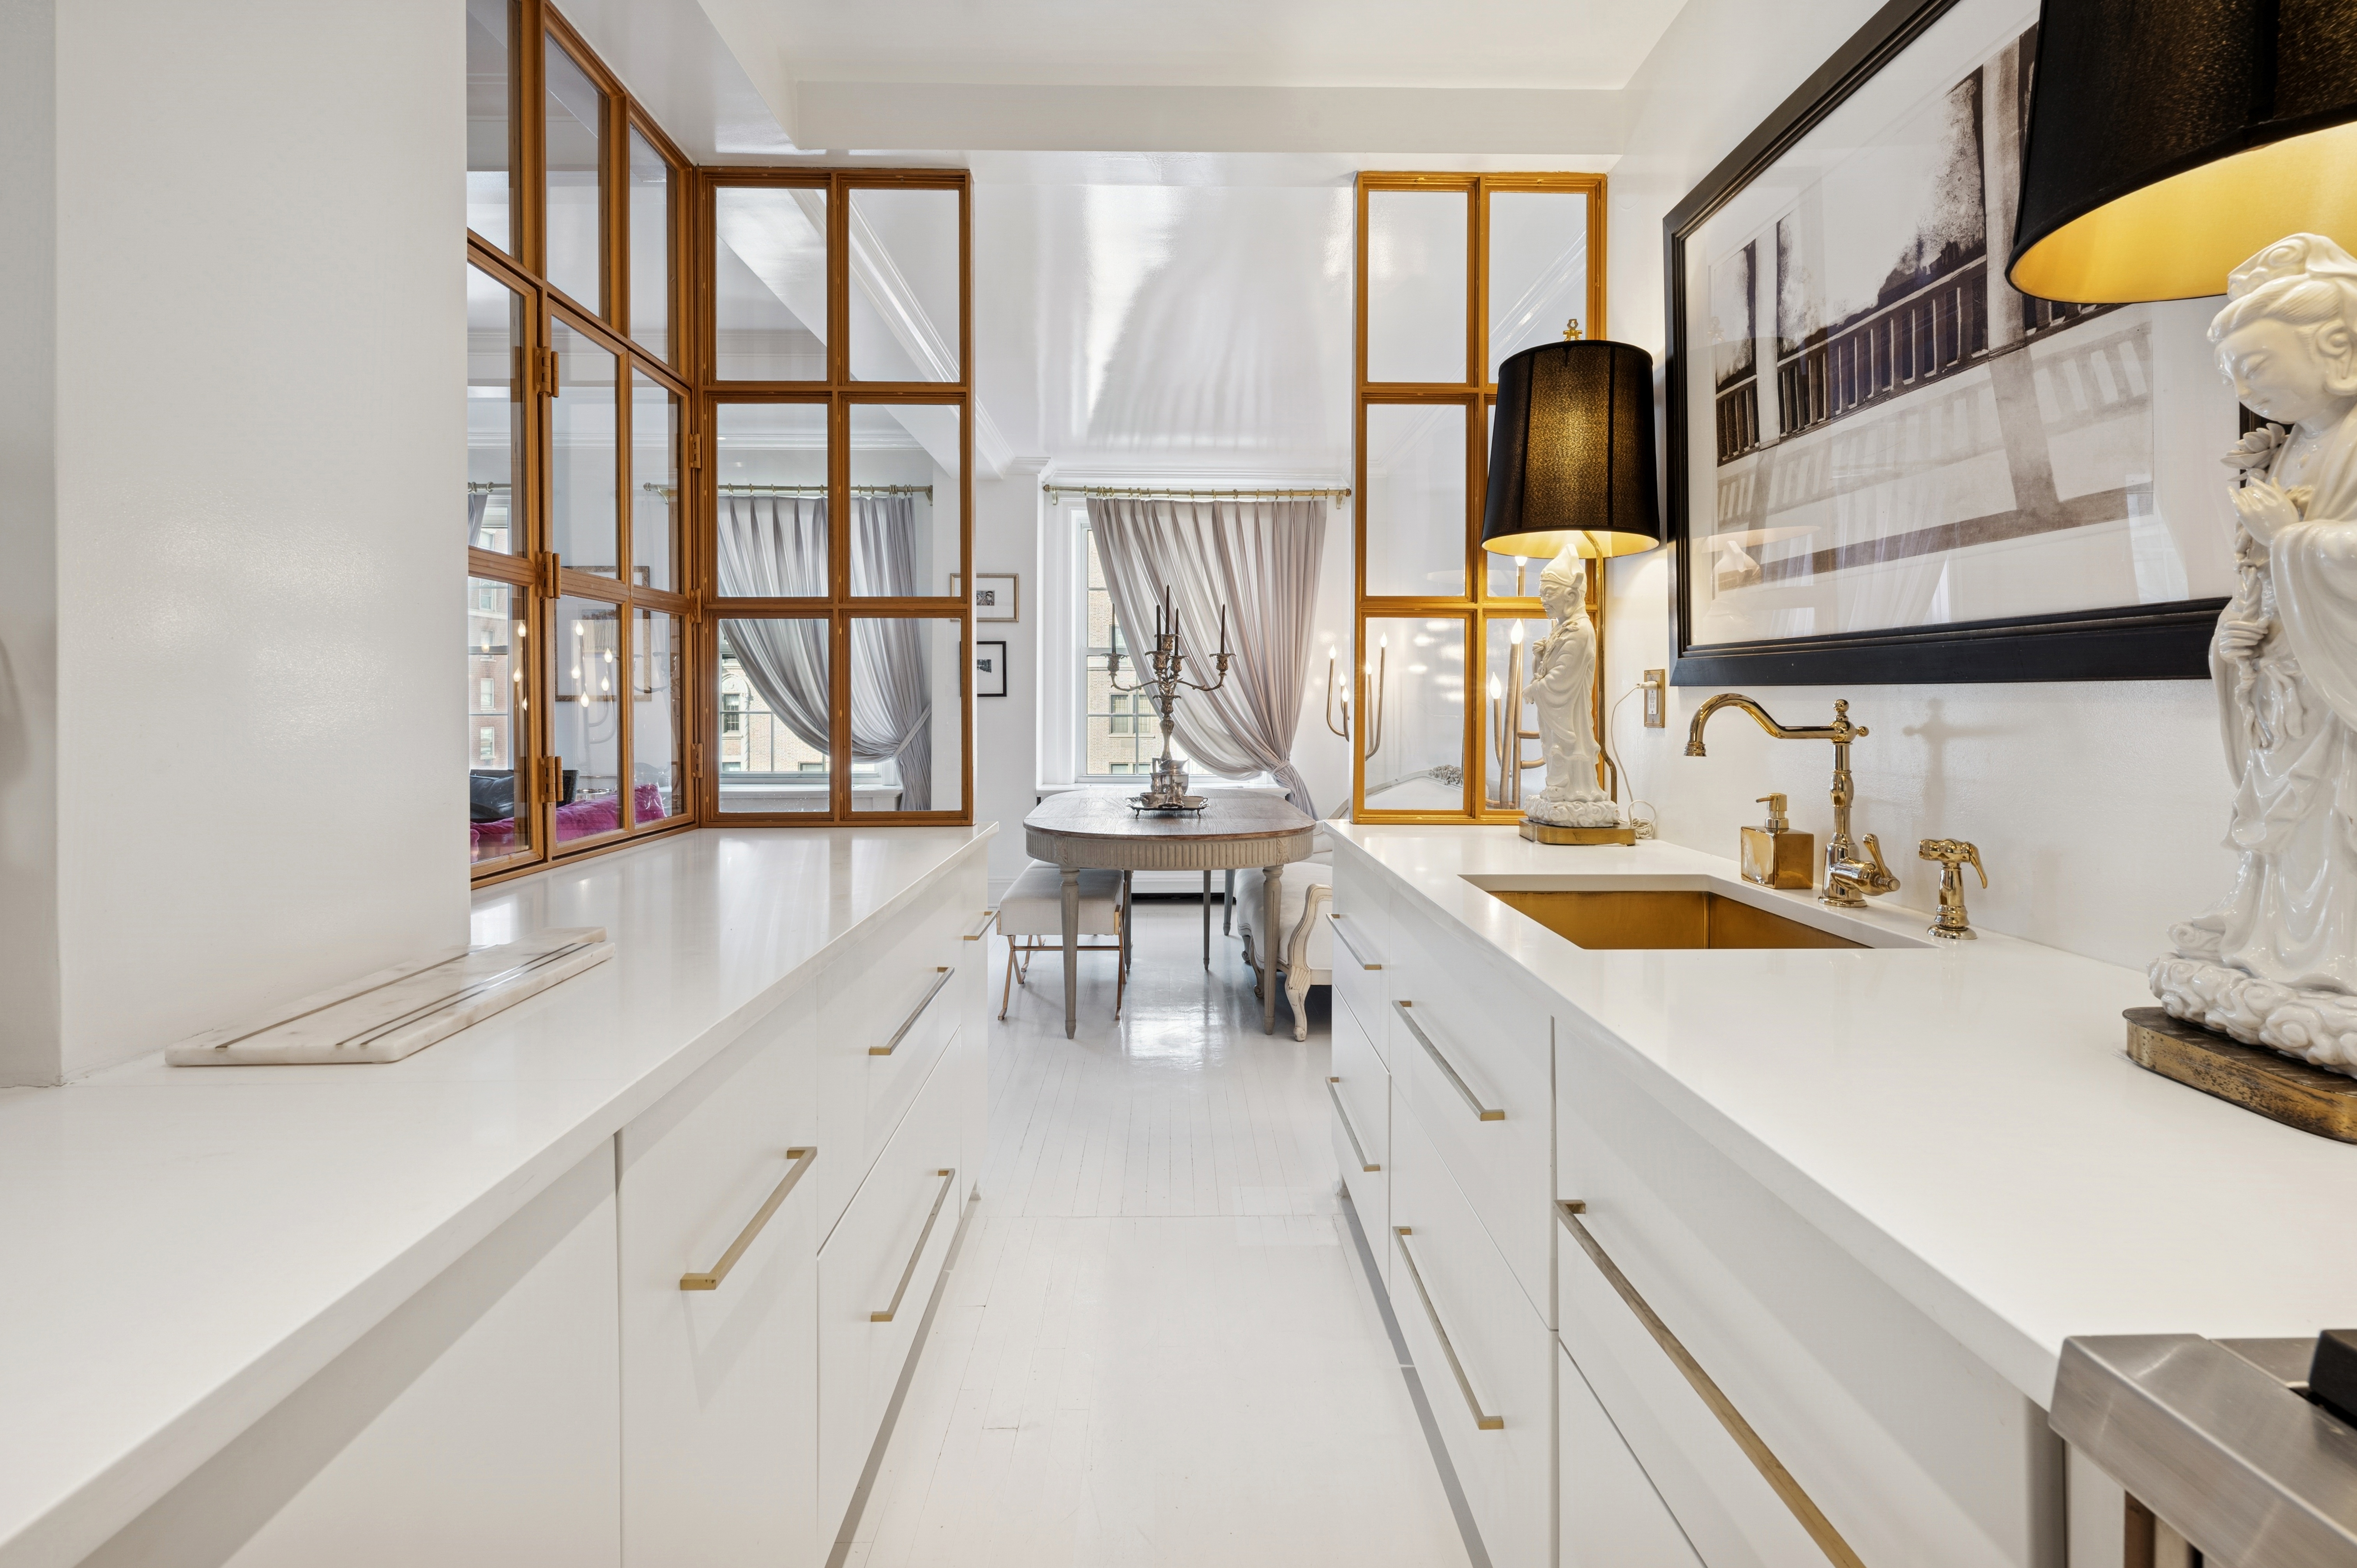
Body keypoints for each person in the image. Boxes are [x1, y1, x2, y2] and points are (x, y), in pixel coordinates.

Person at [2153, 233, 2357, 1072]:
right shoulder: (2292, 445)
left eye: (2257, 368)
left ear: (2338, 347)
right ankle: (2273, 948)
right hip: (2289, 689)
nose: (2245, 392)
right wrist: (2234, 640)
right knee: (2285, 830)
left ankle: (2329, 964)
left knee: (2332, 829)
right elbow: (2262, 582)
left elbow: (2315, 552)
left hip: (2335, 693)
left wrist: (2295, 542)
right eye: (2234, 375)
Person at [1523, 546, 1626, 828]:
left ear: (1571, 595)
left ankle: (1577, 794)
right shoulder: (1563, 628)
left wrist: (1535, 690)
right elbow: (1550, 669)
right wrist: (1540, 657)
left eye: (1548, 594)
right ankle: (1561, 792)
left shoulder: (1581, 629)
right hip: (1557, 710)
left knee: (1568, 749)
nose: (1542, 601)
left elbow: (1564, 676)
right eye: (1542, 594)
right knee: (1555, 751)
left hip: (1571, 712)